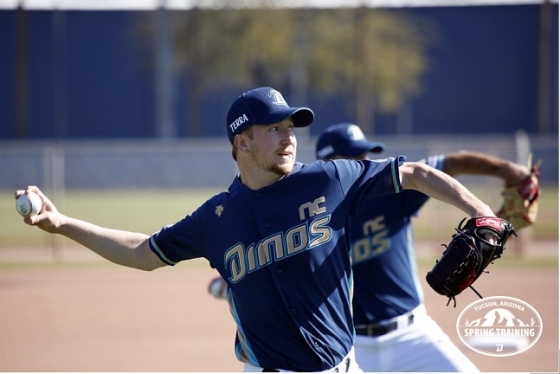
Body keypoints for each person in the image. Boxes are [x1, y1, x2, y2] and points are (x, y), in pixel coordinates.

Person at [17, 87, 501, 373]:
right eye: (275, 128)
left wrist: (482, 214)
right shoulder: (215, 218)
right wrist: (60, 224)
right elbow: (144, 251)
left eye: (292, 126)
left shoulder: (331, 179)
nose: (289, 136)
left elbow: (413, 173)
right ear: (242, 141)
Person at [209, 122, 535, 372]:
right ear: (329, 164)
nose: (364, 161)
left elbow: (451, 164)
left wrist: (506, 172)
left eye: (366, 153)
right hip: (350, 347)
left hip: (412, 334)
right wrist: (232, 283)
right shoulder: (307, 214)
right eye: (355, 155)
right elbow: (271, 263)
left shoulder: (393, 193)